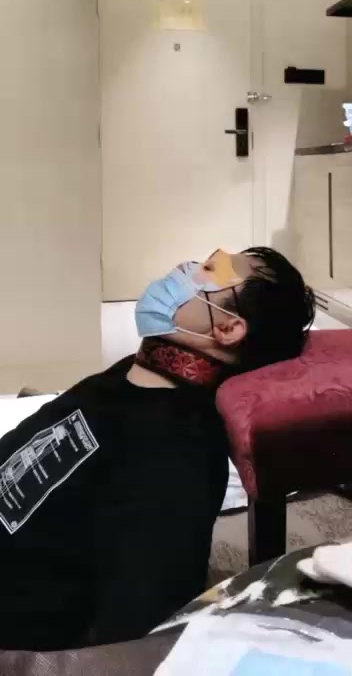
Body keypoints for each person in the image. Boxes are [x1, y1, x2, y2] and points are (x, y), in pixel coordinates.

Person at [0, 247, 315, 651]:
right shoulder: (126, 379)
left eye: (212, 269)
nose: (186, 268)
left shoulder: (175, 454)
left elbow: (136, 625)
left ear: (228, 329)